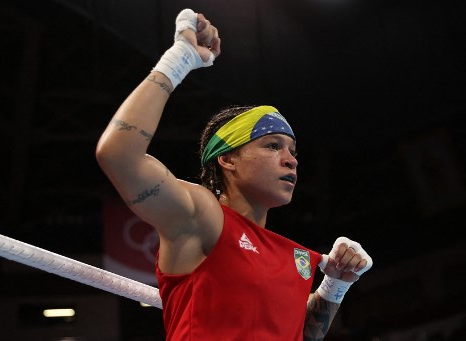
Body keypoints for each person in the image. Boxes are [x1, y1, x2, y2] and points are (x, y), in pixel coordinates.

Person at [96, 8, 372, 341]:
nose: (291, 161)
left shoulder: (294, 257)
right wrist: (179, 59)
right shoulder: (202, 217)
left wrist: (336, 283)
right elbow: (118, 154)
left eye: (293, 152)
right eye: (272, 146)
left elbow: (301, 334)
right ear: (227, 160)